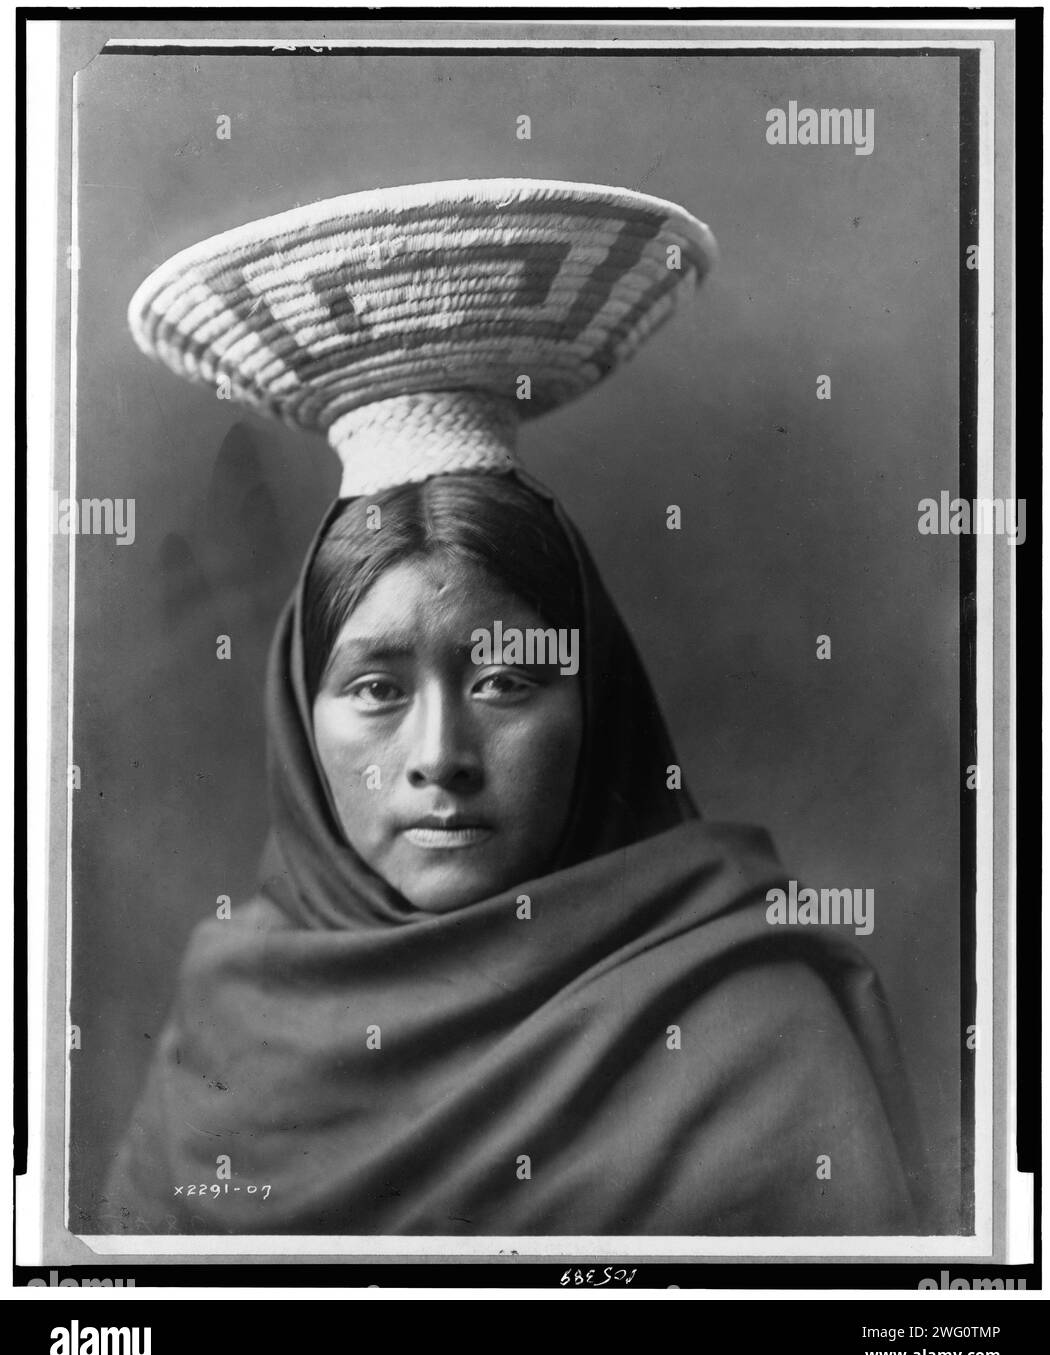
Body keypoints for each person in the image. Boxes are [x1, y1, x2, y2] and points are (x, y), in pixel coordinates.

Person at [102, 179, 928, 1236]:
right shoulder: (226, 1022)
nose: (440, 756)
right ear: (297, 723)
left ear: (601, 701)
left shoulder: (748, 1035)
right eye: (375, 689)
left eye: (506, 678)